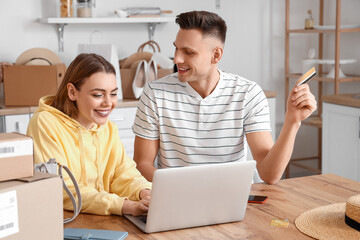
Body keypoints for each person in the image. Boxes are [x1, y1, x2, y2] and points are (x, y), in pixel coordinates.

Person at [132, 11, 317, 185]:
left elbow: (269, 175)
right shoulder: (155, 93)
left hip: (233, 201)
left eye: (188, 52)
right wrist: (182, 191)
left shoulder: (247, 94)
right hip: (175, 199)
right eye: (176, 49)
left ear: (216, 55)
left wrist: (292, 122)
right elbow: (142, 165)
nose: (177, 59)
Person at [27, 53, 151, 216]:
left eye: (113, 94)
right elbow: (62, 188)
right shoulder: (44, 123)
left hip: (102, 218)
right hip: (63, 220)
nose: (108, 103)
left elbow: (123, 173)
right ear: (72, 92)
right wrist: (123, 206)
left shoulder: (108, 128)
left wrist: (145, 191)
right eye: (98, 95)